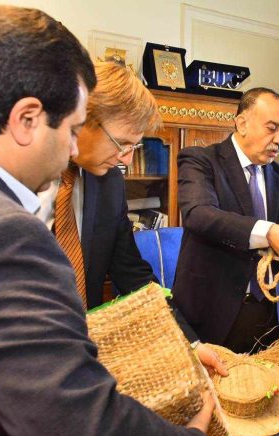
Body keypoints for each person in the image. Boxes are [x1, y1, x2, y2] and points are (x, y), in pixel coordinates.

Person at [0, 6, 217, 436]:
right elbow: (78, 433)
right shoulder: (1, 231)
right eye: (73, 128)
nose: (71, 147)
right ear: (29, 119)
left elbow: (133, 278)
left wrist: (186, 347)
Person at [37, 60, 214, 349]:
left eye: (135, 147)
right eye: (121, 144)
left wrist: (188, 343)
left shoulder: (109, 184)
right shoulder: (20, 177)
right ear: (83, 119)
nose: (127, 160)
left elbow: (132, 273)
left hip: (80, 349)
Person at [174, 87, 279, 354]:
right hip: (212, 312)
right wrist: (268, 232)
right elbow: (199, 214)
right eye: (272, 128)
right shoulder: (200, 160)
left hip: (268, 314)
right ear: (242, 123)